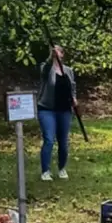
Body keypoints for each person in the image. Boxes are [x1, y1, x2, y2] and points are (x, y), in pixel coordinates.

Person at [37, 44, 78, 181]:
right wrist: (51, 58)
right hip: (47, 109)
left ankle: (62, 168)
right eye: (53, 50)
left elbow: (72, 86)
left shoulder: (68, 70)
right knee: (49, 139)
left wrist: (74, 98)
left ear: (62, 54)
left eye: (58, 50)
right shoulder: (46, 67)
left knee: (63, 141)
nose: (55, 52)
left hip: (64, 110)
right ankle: (45, 171)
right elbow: (45, 72)